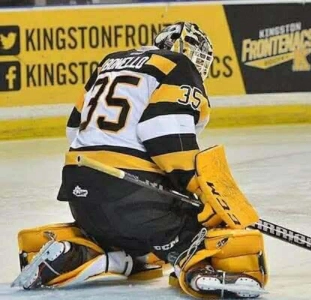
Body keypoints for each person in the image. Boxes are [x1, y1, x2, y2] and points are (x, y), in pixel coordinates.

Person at [12, 22, 268, 299]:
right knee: (200, 225)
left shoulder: (110, 63)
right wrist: (202, 191)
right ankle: (196, 268)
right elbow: (165, 137)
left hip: (81, 197)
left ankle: (84, 253)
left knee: (142, 254)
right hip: (136, 200)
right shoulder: (178, 66)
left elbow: (74, 129)